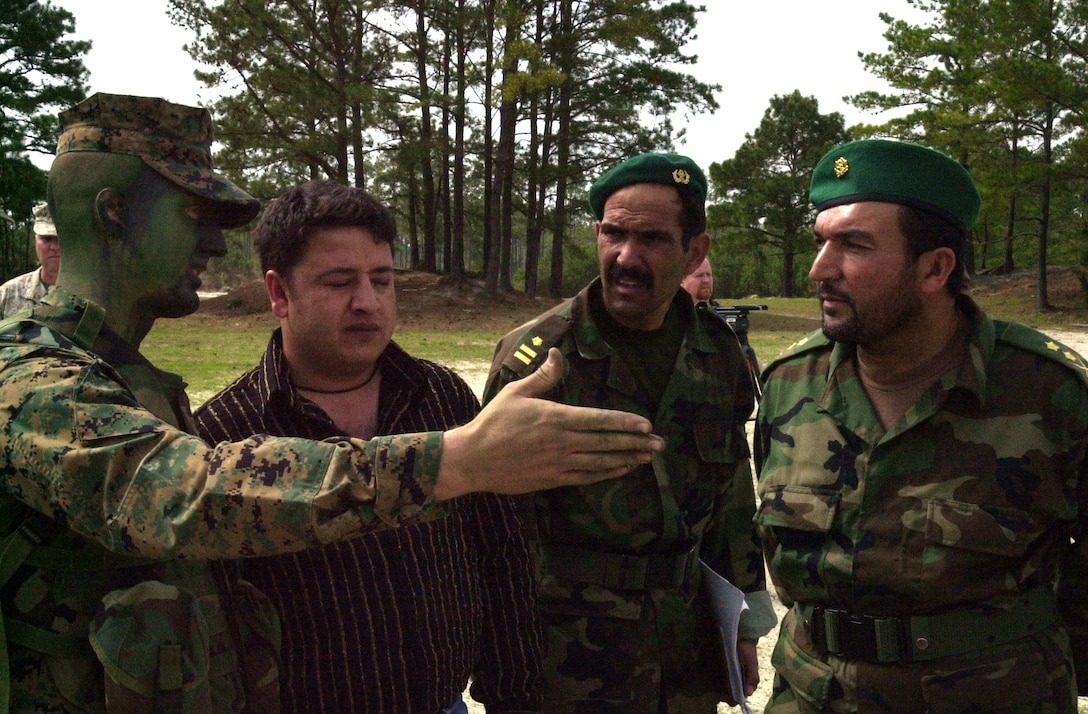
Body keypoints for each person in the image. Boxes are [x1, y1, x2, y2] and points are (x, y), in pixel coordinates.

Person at [0, 93, 663, 712]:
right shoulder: (26, 371)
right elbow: (183, 494)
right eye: (191, 216)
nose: (210, 244)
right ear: (114, 212)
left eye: (382, 279)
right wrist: (454, 459)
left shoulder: (127, 378)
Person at [754, 138, 1088, 712]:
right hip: (813, 697)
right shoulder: (790, 382)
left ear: (935, 268)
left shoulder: (1050, 393)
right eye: (820, 243)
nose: (819, 270)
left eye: (853, 246)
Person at [195, 180, 543, 713]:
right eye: (339, 283)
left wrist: (514, 695)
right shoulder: (225, 432)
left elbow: (500, 555)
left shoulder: (443, 398)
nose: (367, 302)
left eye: (382, 281)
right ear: (278, 292)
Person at [484, 152, 777, 713]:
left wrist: (744, 624)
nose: (626, 257)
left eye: (653, 240)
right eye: (613, 234)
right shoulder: (538, 357)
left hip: (686, 645)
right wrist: (499, 656)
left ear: (696, 251)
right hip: (566, 656)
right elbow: (491, 523)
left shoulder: (717, 350)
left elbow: (733, 498)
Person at [0, 202, 61, 317]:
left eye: (60, 239)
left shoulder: (91, 295)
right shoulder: (7, 295)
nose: (54, 247)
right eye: (46, 239)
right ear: (35, 241)